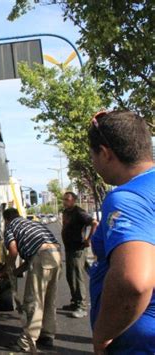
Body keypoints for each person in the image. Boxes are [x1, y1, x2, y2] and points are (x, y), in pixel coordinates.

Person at [87, 110, 154, 354]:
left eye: (93, 155)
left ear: (105, 153)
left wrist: (103, 335)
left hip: (140, 344)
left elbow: (134, 282)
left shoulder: (128, 198)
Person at [2, 208, 62, 352]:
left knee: (34, 301)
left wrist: (7, 268)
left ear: (6, 219)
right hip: (56, 255)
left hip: (41, 255)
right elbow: (30, 259)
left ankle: (26, 343)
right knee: (49, 298)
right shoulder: (31, 223)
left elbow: (13, 250)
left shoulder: (11, 226)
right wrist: (16, 272)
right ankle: (47, 335)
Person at [61, 191, 98, 318]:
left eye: (67, 199)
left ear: (73, 200)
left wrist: (88, 240)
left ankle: (82, 306)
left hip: (78, 249)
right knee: (70, 276)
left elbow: (95, 223)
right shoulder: (66, 212)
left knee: (77, 277)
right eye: (64, 199)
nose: (65, 202)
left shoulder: (79, 212)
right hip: (69, 249)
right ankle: (75, 301)